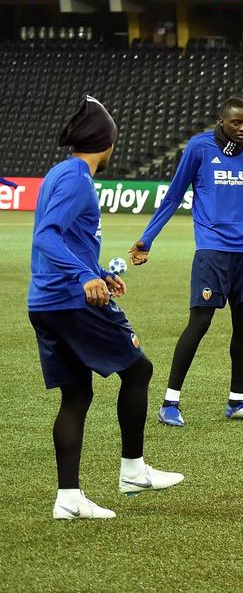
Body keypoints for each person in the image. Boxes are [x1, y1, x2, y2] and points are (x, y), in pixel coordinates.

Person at [30, 96, 182, 520]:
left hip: (45, 302)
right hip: (71, 300)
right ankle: (133, 471)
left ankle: (68, 498)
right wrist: (85, 278)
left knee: (76, 395)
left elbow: (69, 240)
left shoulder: (60, 172)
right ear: (107, 142)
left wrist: (98, 270)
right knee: (139, 370)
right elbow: (47, 236)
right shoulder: (78, 179)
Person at [130, 97, 243, 427]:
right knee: (199, 323)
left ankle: (236, 402)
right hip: (212, 251)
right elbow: (173, 196)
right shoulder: (199, 148)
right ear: (222, 122)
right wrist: (147, 239)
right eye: (236, 123)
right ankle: (170, 401)